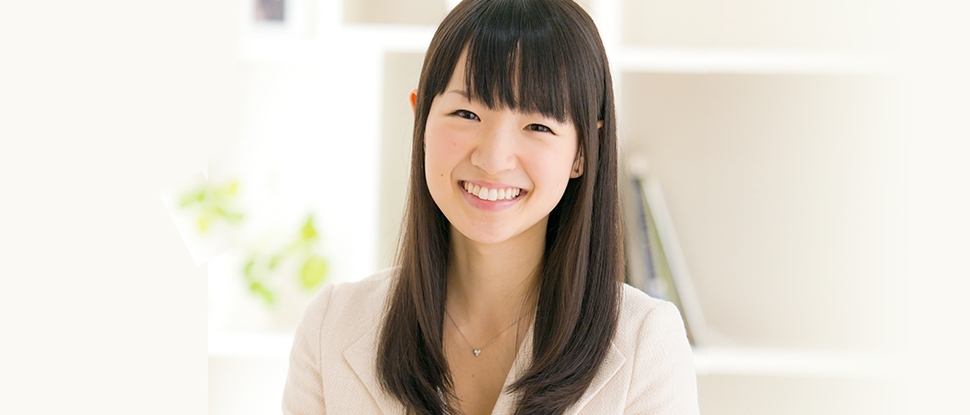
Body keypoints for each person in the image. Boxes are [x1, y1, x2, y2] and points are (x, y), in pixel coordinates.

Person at [282, 0, 699, 414]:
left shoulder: (646, 344)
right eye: (466, 113)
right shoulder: (332, 328)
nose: (494, 158)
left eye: (537, 125)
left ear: (583, 152)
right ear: (420, 119)